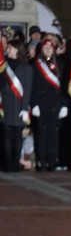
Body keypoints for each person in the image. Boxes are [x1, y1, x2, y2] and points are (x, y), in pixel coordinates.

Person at [30, 36, 67, 172]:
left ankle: (52, 161)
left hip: (55, 105)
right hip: (41, 104)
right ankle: (42, 161)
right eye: (45, 48)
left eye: (50, 48)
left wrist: (64, 105)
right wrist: (34, 104)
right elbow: (32, 86)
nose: (48, 50)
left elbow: (63, 87)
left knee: (54, 135)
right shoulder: (36, 64)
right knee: (41, 134)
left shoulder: (59, 65)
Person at [2, 35, 33, 172]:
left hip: (19, 106)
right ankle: (8, 164)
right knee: (6, 137)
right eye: (7, 47)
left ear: (18, 50)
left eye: (10, 48)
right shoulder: (3, 66)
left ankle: (15, 163)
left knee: (17, 137)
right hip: (6, 104)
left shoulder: (26, 68)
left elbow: (27, 89)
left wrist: (25, 108)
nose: (8, 50)